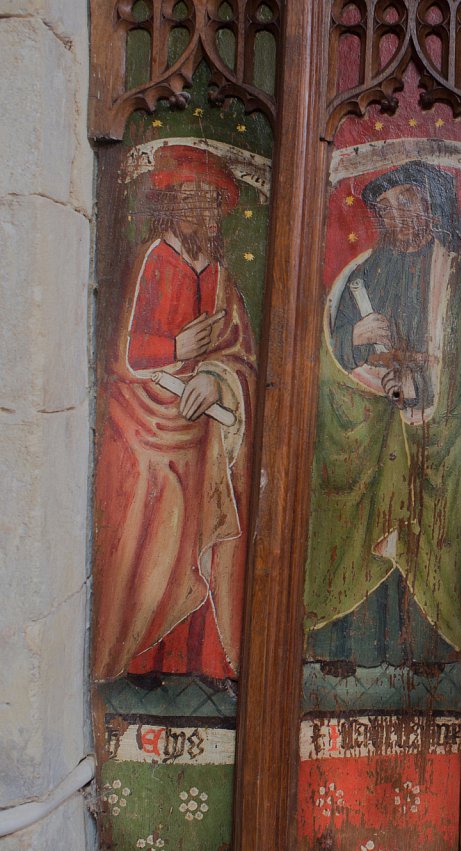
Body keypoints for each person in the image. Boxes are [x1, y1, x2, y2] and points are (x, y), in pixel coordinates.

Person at [304, 160, 461, 675]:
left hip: (440, 427)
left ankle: (430, 646)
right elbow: (326, 359)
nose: (397, 216)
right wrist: (354, 346)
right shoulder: (359, 277)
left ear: (434, 208)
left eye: (408, 202)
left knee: (439, 519)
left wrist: (421, 389)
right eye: (386, 207)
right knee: (356, 507)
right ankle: (347, 644)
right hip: (369, 427)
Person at [92, 145, 257, 683]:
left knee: (213, 505)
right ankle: (137, 657)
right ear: (169, 208)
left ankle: (201, 662)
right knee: (153, 517)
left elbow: (242, 356)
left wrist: (215, 379)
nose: (201, 214)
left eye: (210, 204)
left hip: (201, 429)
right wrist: (179, 351)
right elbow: (124, 353)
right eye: (189, 202)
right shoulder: (150, 261)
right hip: (142, 426)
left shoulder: (223, 279)